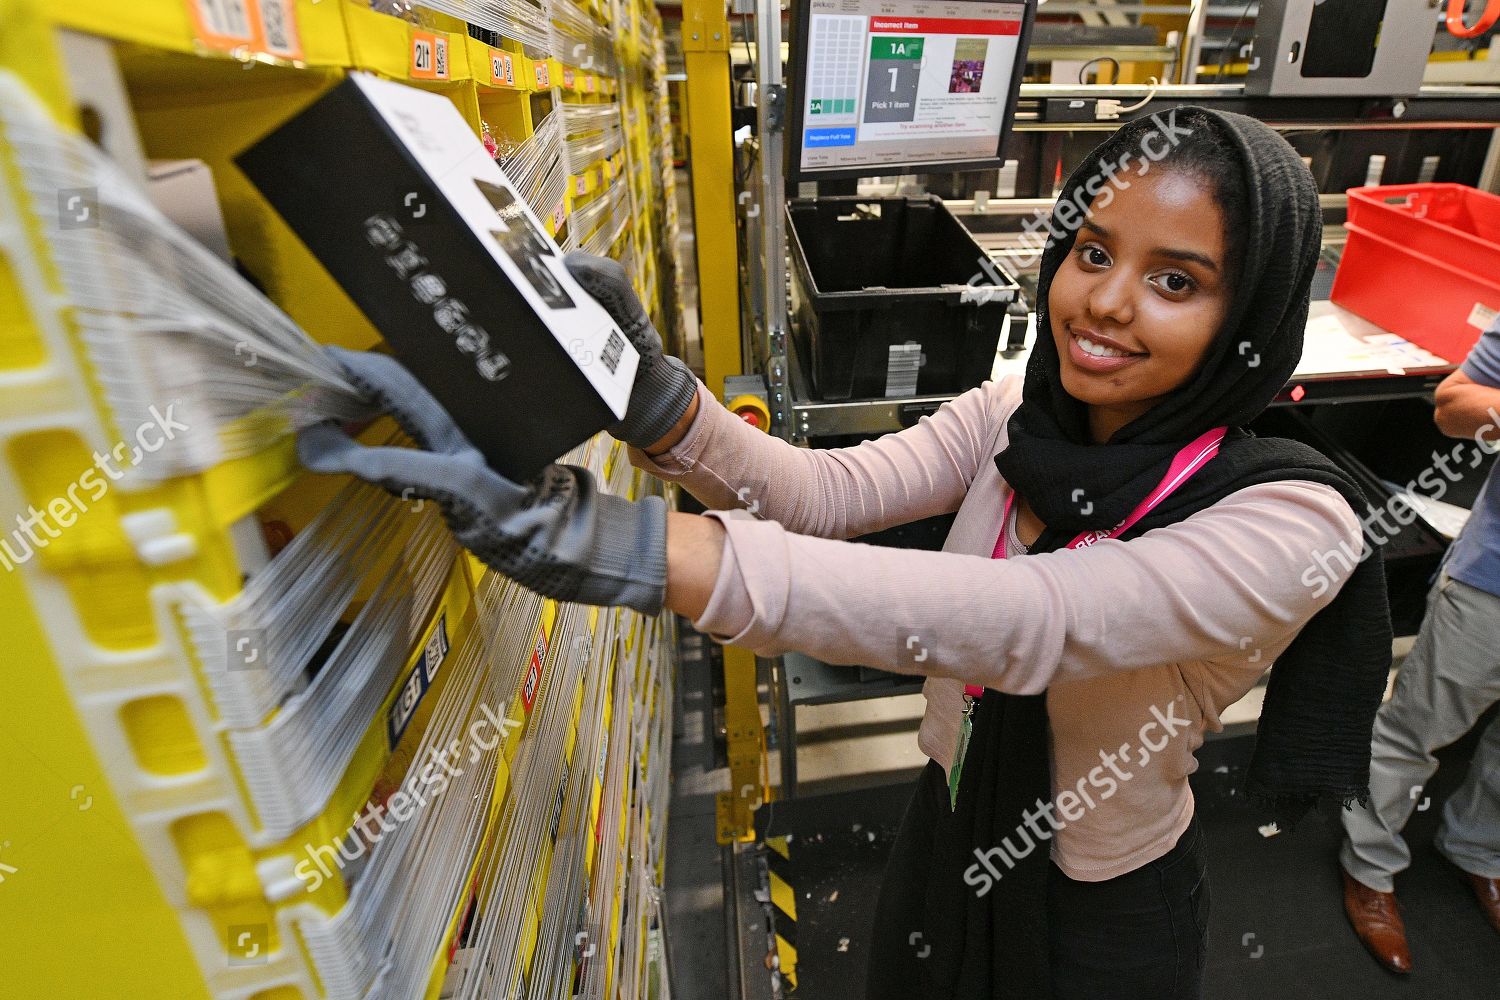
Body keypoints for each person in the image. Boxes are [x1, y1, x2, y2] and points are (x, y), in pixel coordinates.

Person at [299, 108, 1393, 999]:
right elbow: (829, 493)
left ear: (1249, 312)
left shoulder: (1289, 520)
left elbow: (1033, 621)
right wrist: (651, 397)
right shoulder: (1025, 413)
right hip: (950, 815)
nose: (1103, 303)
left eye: (1176, 280)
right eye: (1095, 253)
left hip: (1099, 899)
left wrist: (635, 548)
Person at [1338, 315, 1500, 974]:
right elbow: (1455, 406)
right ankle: (1369, 867)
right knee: (1417, 728)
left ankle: (1479, 851)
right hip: (1493, 584)